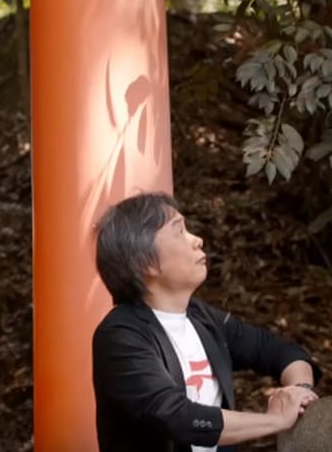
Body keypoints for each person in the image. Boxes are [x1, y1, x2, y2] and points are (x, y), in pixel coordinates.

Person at [92, 191, 320, 452]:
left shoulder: (203, 318)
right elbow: (177, 417)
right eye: (180, 231)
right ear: (146, 263)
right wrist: (275, 420)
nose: (197, 240)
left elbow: (277, 350)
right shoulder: (120, 335)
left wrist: (299, 390)